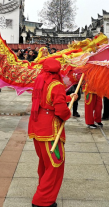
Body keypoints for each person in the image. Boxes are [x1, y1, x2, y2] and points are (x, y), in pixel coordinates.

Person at [28, 58, 77, 207]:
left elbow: (46, 100)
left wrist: (69, 97)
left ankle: (43, 191)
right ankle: (42, 200)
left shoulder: (40, 79)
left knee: (44, 163)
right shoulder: (56, 84)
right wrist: (67, 114)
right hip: (50, 129)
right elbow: (60, 109)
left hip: (37, 126)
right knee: (55, 164)